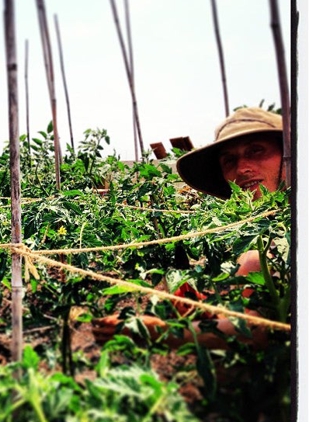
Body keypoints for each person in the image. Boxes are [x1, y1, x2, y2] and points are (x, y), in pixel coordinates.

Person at [92, 107, 287, 349]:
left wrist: (160, 332)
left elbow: (262, 329)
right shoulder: (258, 232)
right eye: (229, 160)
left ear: (290, 152)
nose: (241, 168)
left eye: (256, 150)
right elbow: (255, 314)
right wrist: (207, 309)